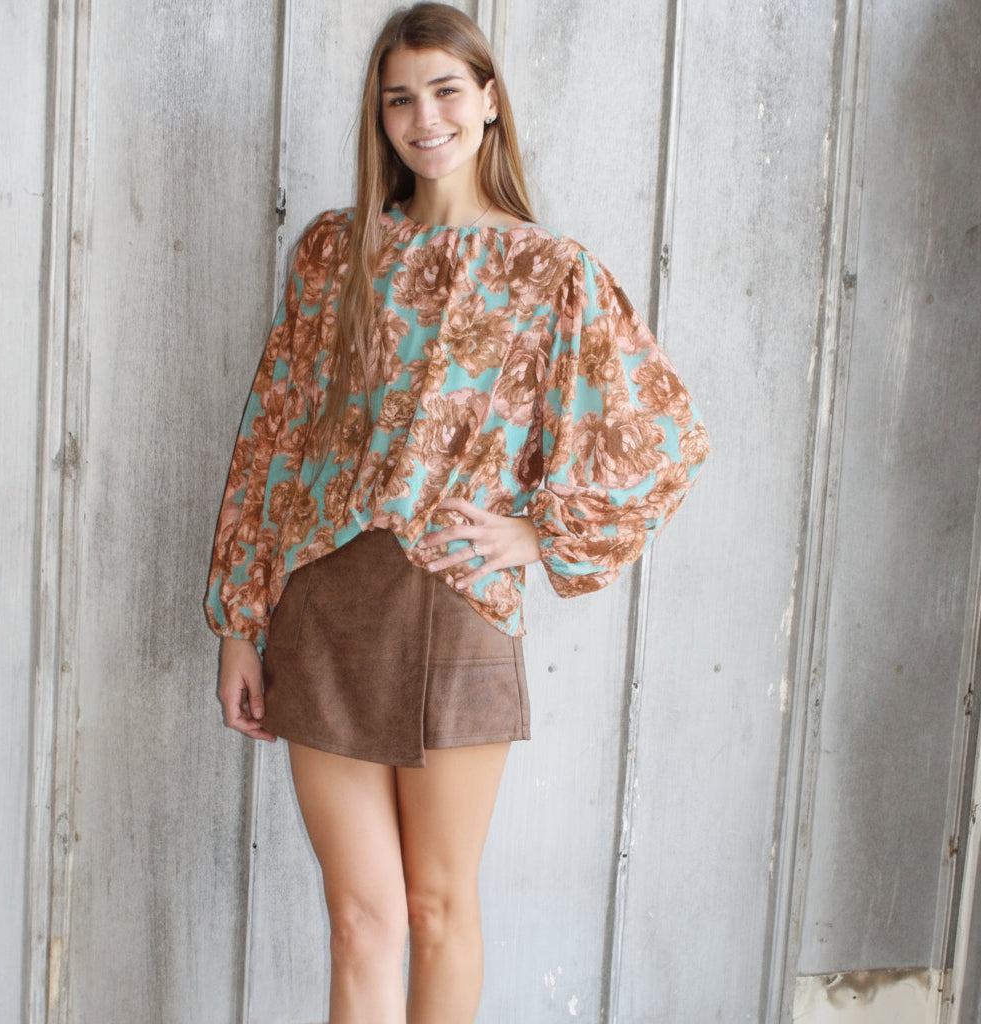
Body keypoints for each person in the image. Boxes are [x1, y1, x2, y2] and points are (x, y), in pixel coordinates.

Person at [205, 3, 709, 1021]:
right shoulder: (332, 252)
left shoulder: (549, 271)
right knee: (361, 919)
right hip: (324, 599)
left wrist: (541, 533)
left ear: (488, 102)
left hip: (457, 599)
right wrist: (239, 619)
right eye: (399, 97)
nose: (422, 117)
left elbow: (663, 437)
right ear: (378, 116)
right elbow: (273, 437)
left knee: (437, 908)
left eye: (444, 90)